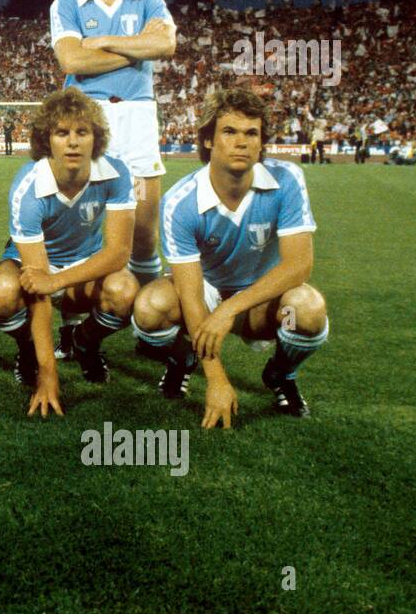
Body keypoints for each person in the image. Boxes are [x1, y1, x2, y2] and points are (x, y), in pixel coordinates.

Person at [133, 88, 329, 427]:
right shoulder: (181, 202)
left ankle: (281, 373)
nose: (242, 142)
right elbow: (191, 297)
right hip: (207, 296)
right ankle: (183, 360)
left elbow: (299, 265)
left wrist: (231, 309)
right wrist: (217, 379)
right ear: (208, 140)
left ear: (261, 141)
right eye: (229, 132)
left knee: (307, 312)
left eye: (252, 133)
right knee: (150, 310)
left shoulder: (287, 180)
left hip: (260, 303)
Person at [0, 88, 137, 417]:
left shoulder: (117, 173)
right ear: (46, 140)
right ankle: (27, 350)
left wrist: (57, 281)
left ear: (95, 138)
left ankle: (85, 341)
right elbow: (37, 282)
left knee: (124, 290)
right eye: (62, 132)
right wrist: (47, 372)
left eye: (82, 132)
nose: (73, 142)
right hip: (30, 262)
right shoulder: (28, 189)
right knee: (0, 293)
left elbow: (118, 253)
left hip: (85, 263)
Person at [50, 0, 177, 290]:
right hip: (88, 118)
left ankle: (149, 325)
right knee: (82, 224)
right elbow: (72, 60)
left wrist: (103, 42)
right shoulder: (67, 4)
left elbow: (166, 44)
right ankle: (74, 325)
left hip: (138, 118)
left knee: (143, 232)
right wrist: (139, 49)